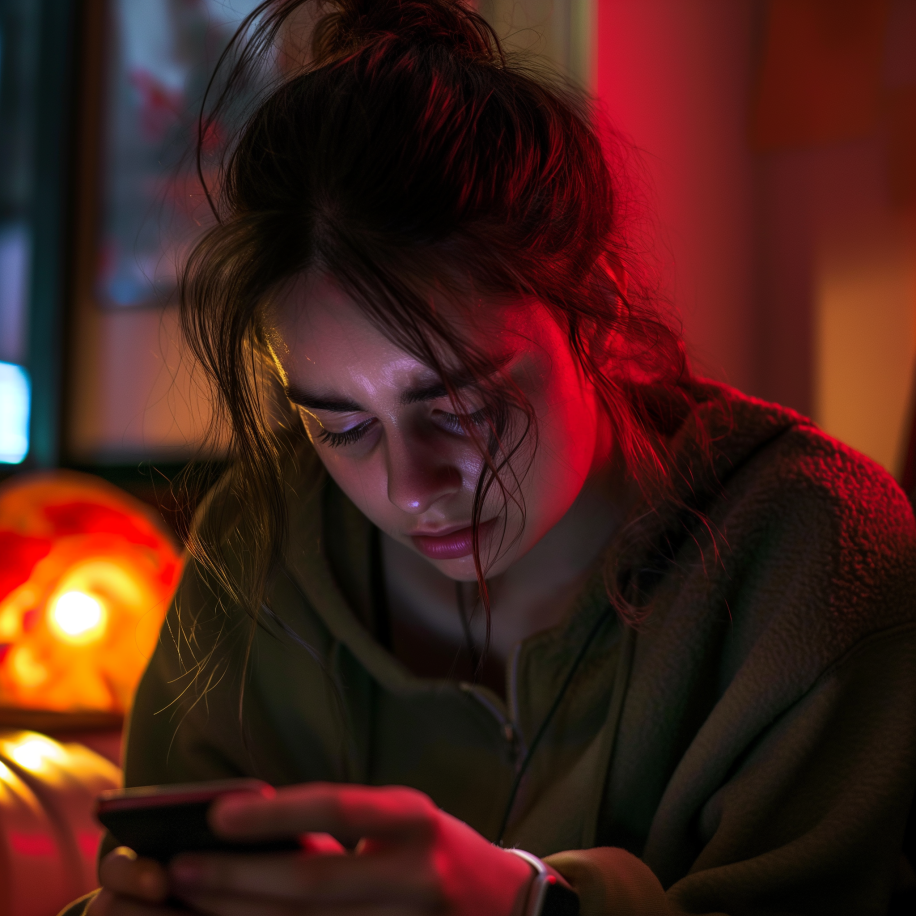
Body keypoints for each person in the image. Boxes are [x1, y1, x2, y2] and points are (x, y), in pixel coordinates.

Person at [69, 1, 916, 914]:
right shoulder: (259, 536)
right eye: (342, 428)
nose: (410, 487)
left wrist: (537, 905)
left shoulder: (810, 547)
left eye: (461, 405)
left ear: (590, 300)